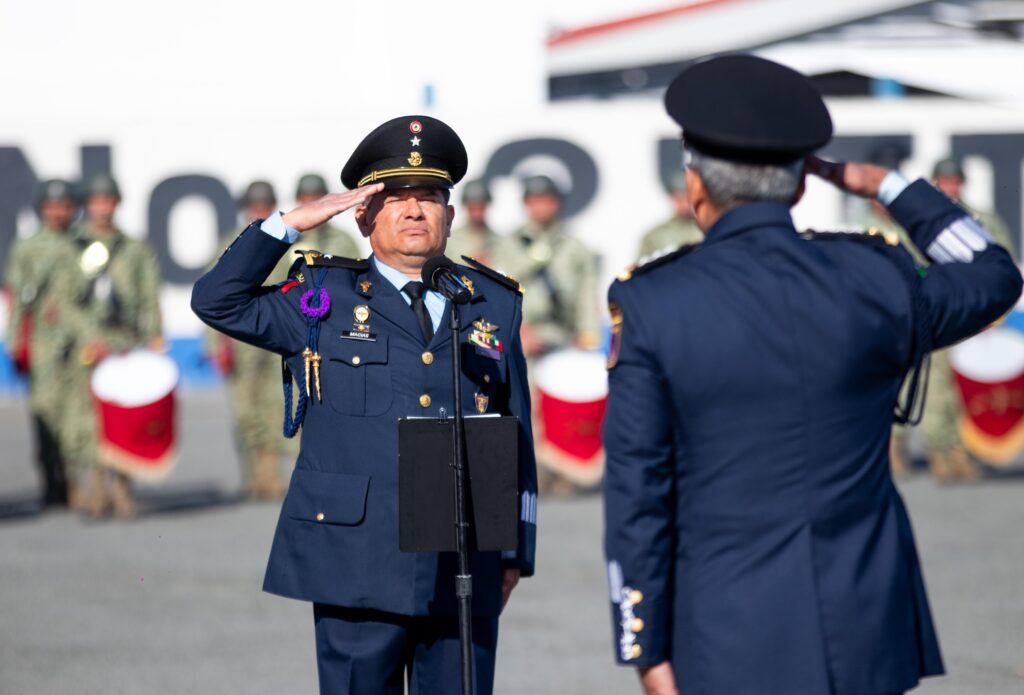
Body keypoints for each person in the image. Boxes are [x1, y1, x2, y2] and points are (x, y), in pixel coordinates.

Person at [602, 54, 1021, 695]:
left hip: (725, 633)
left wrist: (643, 646)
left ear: (695, 186)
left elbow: (637, 491)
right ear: (803, 184)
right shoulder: (877, 277)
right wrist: (888, 186)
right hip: (868, 626)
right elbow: (995, 272)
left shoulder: (653, 303)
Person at [192, 115, 537, 695]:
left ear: (449, 216)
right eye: (395, 199)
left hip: (462, 559)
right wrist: (286, 226)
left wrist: (514, 552)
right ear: (362, 215)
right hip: (356, 556)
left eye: (429, 198)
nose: (413, 211)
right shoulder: (321, 298)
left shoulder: (491, 302)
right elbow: (217, 301)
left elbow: (514, 426)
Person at [68, 173, 163, 517]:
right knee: (89, 419)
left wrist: (153, 334)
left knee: (125, 417)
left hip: (126, 342)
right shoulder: (73, 245)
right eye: (95, 200)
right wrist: (87, 337)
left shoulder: (133, 248)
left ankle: (123, 490)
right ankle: (95, 491)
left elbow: (148, 293)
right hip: (88, 345)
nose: (102, 207)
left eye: (107, 200)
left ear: (116, 203)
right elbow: (68, 300)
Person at [207, 181, 290, 499]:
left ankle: (270, 476)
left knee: (274, 407)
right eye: (254, 206)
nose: (259, 211)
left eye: (265, 205)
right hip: (240, 341)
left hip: (274, 336)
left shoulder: (285, 242)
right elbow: (213, 296)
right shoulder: (231, 243)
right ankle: (251, 476)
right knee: (244, 411)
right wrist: (215, 345)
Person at [4, 179, 82, 508]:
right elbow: (17, 299)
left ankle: (78, 483)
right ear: (42, 209)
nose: (59, 212)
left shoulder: (84, 243)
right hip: (42, 344)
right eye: (52, 205)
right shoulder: (27, 247)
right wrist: (14, 342)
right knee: (45, 414)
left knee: (78, 416)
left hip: (80, 343)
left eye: (64, 205)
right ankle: (52, 481)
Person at [492, 174, 601, 357]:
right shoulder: (509, 245)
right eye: (535, 201)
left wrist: (588, 335)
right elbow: (496, 293)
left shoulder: (574, 246)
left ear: (557, 203)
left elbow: (587, 295)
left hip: (564, 336)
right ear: (526, 204)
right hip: (521, 337)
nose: (541, 207)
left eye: (547, 200)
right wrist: (516, 330)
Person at [635, 170, 703, 260]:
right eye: (680, 198)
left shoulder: (707, 229)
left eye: (688, 198)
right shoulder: (654, 236)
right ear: (672, 198)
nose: (685, 204)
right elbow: (641, 267)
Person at [446, 179, 497, 264]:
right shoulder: (450, 240)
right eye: (472, 209)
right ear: (465, 206)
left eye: (480, 208)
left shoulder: (500, 241)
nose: (476, 214)